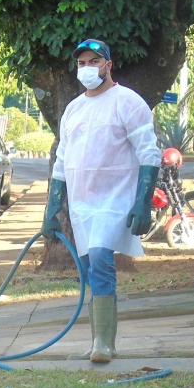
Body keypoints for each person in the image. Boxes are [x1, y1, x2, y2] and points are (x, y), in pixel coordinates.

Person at [41, 39, 161, 363]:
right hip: (82, 203)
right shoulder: (73, 109)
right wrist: (52, 210)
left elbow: (150, 153)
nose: (87, 68)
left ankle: (104, 345)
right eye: (81, 63)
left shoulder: (127, 102)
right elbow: (62, 161)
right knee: (88, 267)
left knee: (100, 257)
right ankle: (99, 339)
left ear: (109, 64)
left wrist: (143, 201)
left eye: (94, 61)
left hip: (116, 198)